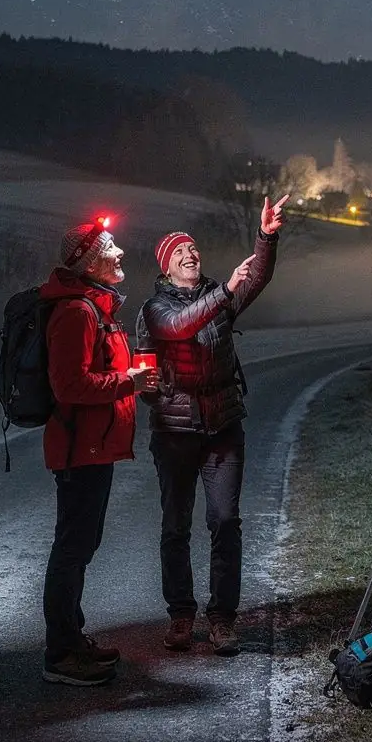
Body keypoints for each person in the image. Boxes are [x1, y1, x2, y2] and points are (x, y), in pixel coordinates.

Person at [136, 194, 288, 656]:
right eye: (180, 250)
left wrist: (265, 236)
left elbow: (256, 276)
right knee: (175, 525)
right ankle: (181, 615)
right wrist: (223, 293)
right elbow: (182, 325)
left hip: (222, 426)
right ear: (166, 267)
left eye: (194, 247)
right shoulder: (154, 310)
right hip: (175, 431)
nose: (190, 253)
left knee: (225, 522)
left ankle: (223, 620)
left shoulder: (220, 296)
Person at [39, 217, 157, 687]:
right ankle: (60, 654)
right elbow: (68, 385)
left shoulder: (94, 307)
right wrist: (126, 381)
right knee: (72, 548)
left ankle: (73, 638)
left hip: (92, 446)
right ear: (90, 262)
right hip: (78, 449)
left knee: (81, 546)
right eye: (111, 247)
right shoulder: (77, 312)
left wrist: (135, 378)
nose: (121, 253)